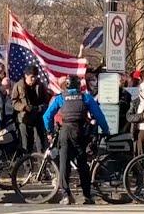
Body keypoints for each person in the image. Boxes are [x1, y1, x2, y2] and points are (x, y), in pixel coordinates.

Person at [43, 75, 110, 205]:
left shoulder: (60, 98)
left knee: (64, 164)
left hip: (65, 132)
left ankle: (66, 195)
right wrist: (106, 130)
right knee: (82, 164)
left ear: (66, 86)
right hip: (79, 133)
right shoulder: (86, 97)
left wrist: (49, 131)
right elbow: (99, 116)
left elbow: (47, 116)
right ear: (79, 86)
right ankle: (87, 195)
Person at [11, 65, 49, 153]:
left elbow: (46, 101)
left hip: (38, 117)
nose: (34, 79)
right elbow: (14, 102)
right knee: (26, 144)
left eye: (35, 77)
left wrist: (41, 107)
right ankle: (27, 165)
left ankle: (41, 164)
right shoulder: (18, 85)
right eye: (31, 77)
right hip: (24, 119)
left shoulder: (41, 85)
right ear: (26, 76)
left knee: (41, 142)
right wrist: (24, 107)